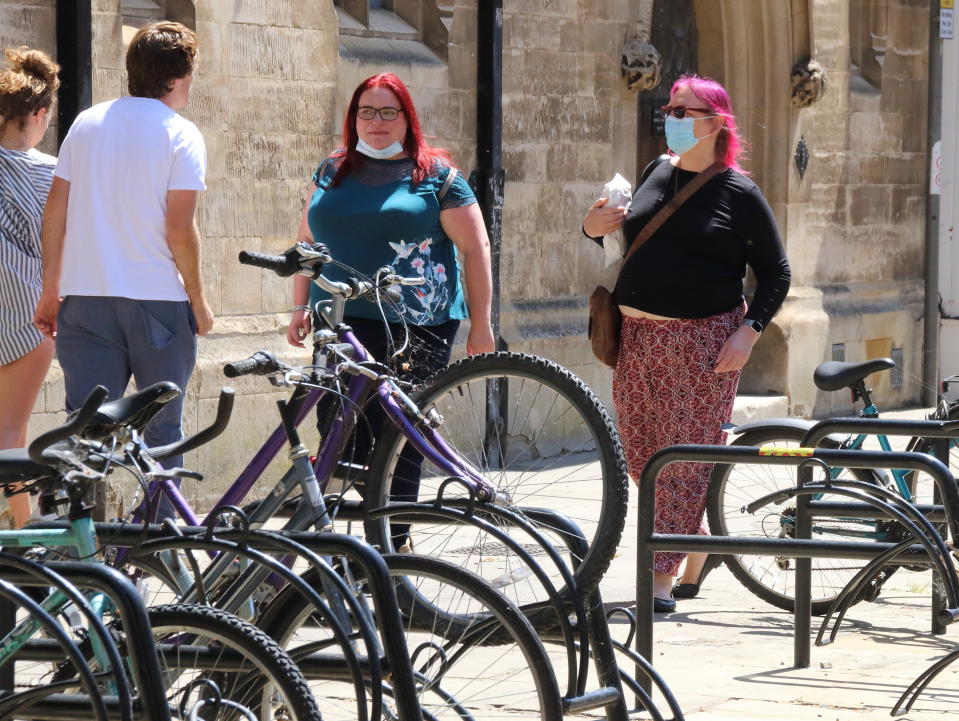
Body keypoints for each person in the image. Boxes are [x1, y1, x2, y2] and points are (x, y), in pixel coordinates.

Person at [582, 74, 791, 612]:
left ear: (716, 123)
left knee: (678, 461)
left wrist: (750, 333)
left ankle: (658, 584)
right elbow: (619, 238)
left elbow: (776, 274)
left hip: (702, 343)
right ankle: (694, 549)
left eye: (685, 111)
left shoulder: (738, 192)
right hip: (639, 338)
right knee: (641, 455)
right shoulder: (656, 171)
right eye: (670, 109)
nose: (672, 119)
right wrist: (592, 225)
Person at [286, 72, 494, 543]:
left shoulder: (437, 178)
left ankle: (392, 553)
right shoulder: (331, 170)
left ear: (406, 118)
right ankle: (343, 554)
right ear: (353, 117)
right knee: (337, 433)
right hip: (337, 321)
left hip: (414, 326)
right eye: (366, 111)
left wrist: (481, 325)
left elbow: (476, 247)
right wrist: (299, 307)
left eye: (387, 112)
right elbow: (307, 242)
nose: (376, 122)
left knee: (399, 438)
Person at [33, 22, 213, 509]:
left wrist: (51, 288)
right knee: (162, 436)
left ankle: (80, 556)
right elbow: (180, 228)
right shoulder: (181, 133)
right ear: (178, 77)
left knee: (85, 436)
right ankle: (155, 552)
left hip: (85, 300)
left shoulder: (87, 123)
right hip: (157, 300)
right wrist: (199, 299)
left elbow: (56, 212)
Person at [0, 47, 59, 527]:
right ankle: (20, 543)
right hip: (26, 316)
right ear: (39, 115)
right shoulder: (50, 174)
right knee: (8, 434)